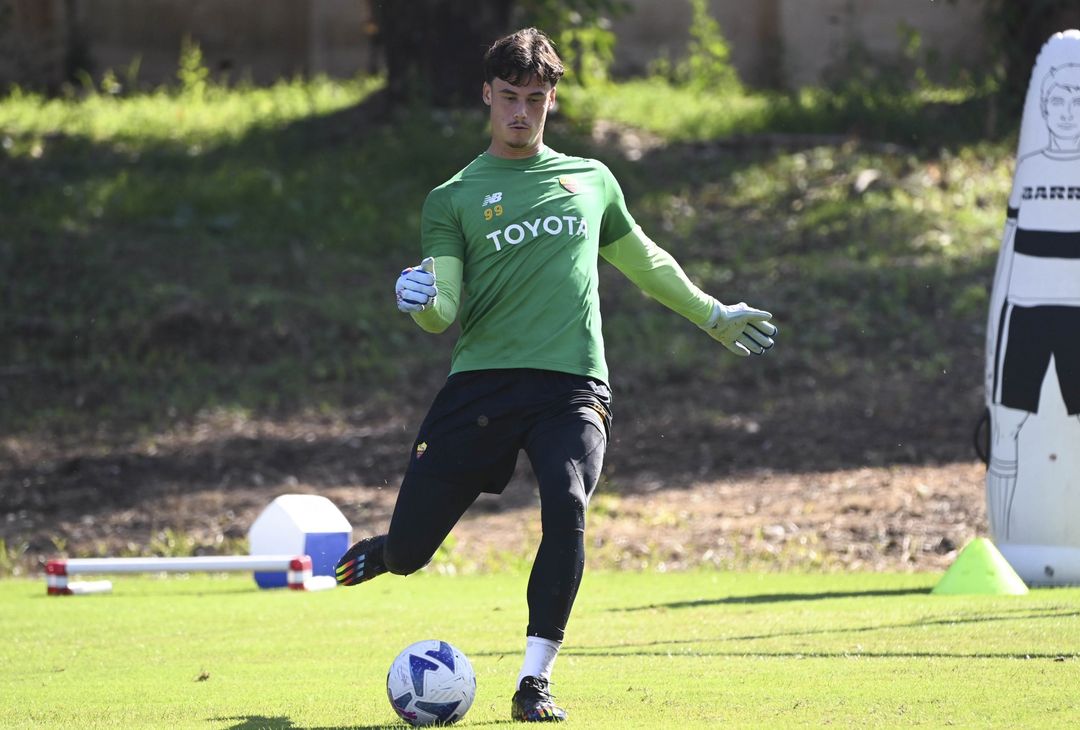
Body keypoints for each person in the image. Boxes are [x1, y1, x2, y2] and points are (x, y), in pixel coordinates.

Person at [335, 27, 777, 723]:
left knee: (566, 502)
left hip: (572, 386)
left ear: (551, 99)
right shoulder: (452, 197)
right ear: (487, 94)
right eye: (509, 97)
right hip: (481, 387)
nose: (520, 112)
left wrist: (713, 313)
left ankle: (534, 681)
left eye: (534, 99)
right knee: (415, 550)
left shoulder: (591, 180)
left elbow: (648, 264)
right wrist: (418, 301)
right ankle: (391, 550)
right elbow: (444, 305)